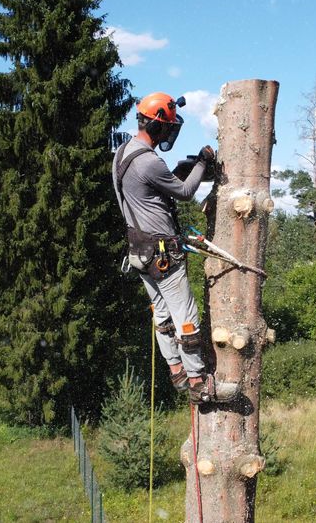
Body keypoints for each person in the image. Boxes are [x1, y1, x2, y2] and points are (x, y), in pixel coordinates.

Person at [112, 92, 236, 404]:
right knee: (186, 319)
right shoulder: (150, 162)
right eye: (167, 128)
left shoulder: (123, 153)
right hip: (162, 254)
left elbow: (150, 190)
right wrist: (204, 163)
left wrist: (178, 171)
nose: (169, 133)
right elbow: (182, 192)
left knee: (162, 316)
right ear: (158, 127)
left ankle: (177, 371)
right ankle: (199, 384)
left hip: (138, 251)